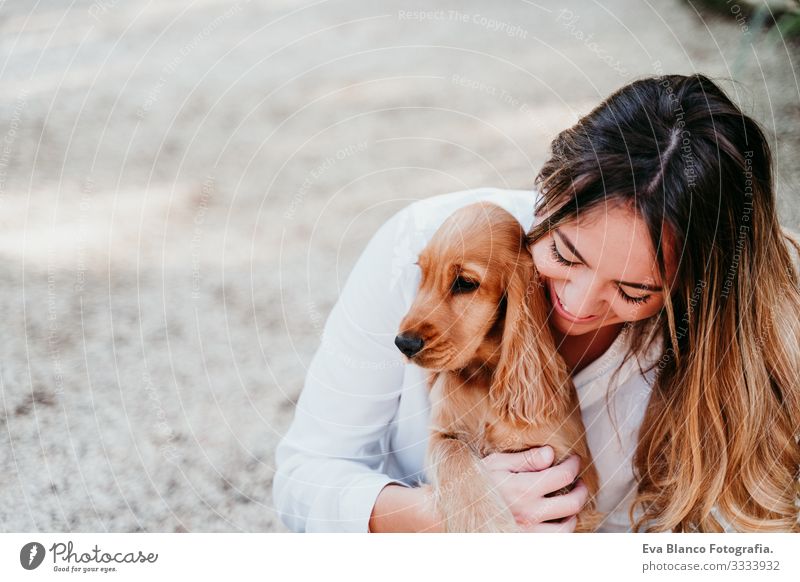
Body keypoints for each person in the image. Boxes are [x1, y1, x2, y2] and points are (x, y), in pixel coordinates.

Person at [272, 74, 800, 533]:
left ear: (694, 286)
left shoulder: (726, 337)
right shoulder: (423, 244)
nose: (579, 302)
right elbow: (306, 476)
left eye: (635, 290)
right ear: (547, 195)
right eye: (564, 254)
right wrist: (455, 511)